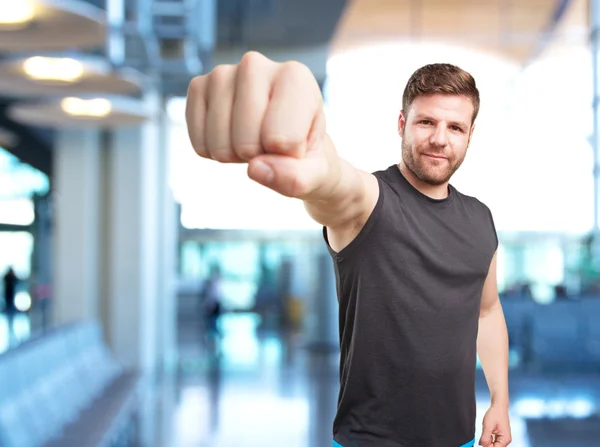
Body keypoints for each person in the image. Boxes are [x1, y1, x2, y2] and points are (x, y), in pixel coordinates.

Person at [185, 52, 512, 447]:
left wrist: (500, 401)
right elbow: (336, 184)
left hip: (459, 438)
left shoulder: (481, 219)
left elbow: (487, 310)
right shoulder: (372, 202)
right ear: (402, 124)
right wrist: (313, 157)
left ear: (470, 135)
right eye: (427, 122)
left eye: (455, 127)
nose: (440, 138)